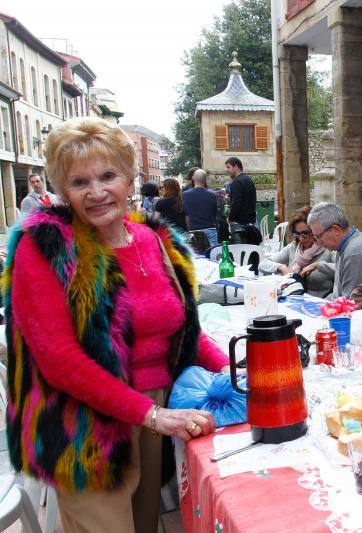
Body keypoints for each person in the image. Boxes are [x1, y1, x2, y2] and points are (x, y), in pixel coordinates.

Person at [3, 117, 230, 532]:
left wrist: (234, 368)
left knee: (146, 525)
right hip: (82, 424)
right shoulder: (46, 247)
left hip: (154, 410)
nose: (96, 192)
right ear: (61, 190)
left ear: (129, 178)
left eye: (108, 176)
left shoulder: (155, 240)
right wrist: (151, 414)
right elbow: (60, 361)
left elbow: (184, 333)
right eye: (79, 182)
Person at [307, 201, 362, 299]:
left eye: (318, 236)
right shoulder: (347, 243)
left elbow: (349, 303)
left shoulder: (354, 253)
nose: (318, 242)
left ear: (335, 230)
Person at [260, 206, 336, 298]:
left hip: (319, 304)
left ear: (315, 231)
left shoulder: (328, 249)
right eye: (297, 234)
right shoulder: (293, 247)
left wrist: (318, 265)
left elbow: (341, 269)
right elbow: (263, 264)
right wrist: (282, 267)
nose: (301, 238)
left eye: (305, 233)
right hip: (292, 300)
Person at [183, 169, 219, 248]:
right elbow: (215, 213)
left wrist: (189, 228)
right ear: (206, 179)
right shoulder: (211, 194)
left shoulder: (185, 195)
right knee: (213, 256)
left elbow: (186, 215)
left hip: (194, 230)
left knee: (197, 258)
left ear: (193, 178)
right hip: (210, 229)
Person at [225, 156, 256, 231]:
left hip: (239, 223)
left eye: (228, 167)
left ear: (235, 167)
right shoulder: (248, 179)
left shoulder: (237, 182)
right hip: (251, 221)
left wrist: (230, 218)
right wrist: (231, 199)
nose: (227, 170)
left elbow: (236, 203)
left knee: (239, 243)